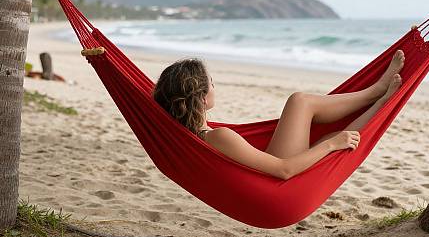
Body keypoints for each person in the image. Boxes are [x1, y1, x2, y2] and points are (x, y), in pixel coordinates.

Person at [153, 51, 405, 180]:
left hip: (272, 186)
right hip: (278, 188)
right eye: (212, 83)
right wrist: (330, 145)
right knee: (301, 102)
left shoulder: (189, 135)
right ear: (202, 97)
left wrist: (332, 141)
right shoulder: (218, 136)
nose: (215, 87)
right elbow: (284, 170)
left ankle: (381, 101)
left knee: (336, 135)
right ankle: (375, 91)